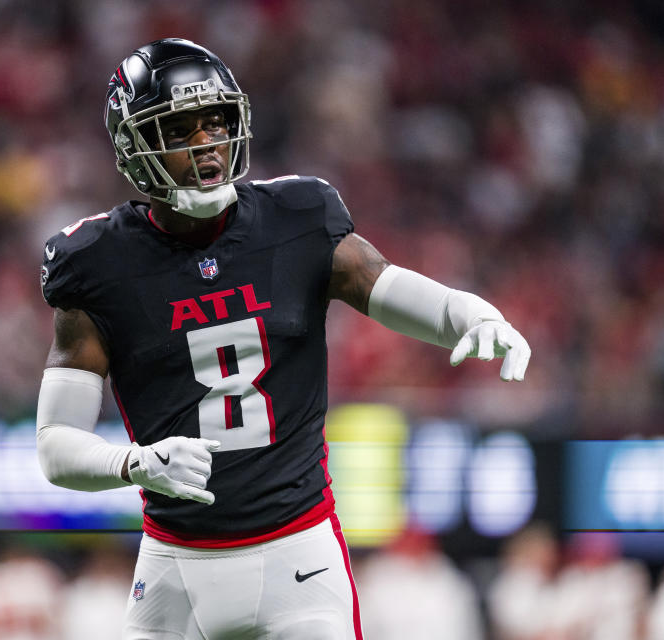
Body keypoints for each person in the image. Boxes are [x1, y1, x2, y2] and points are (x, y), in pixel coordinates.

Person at [36, 38, 531, 640]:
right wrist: (133, 463)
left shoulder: (296, 217)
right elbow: (56, 446)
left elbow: (378, 281)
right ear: (136, 148)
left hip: (300, 552)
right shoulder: (98, 262)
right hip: (176, 566)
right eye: (181, 129)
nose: (206, 144)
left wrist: (464, 311)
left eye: (215, 123)